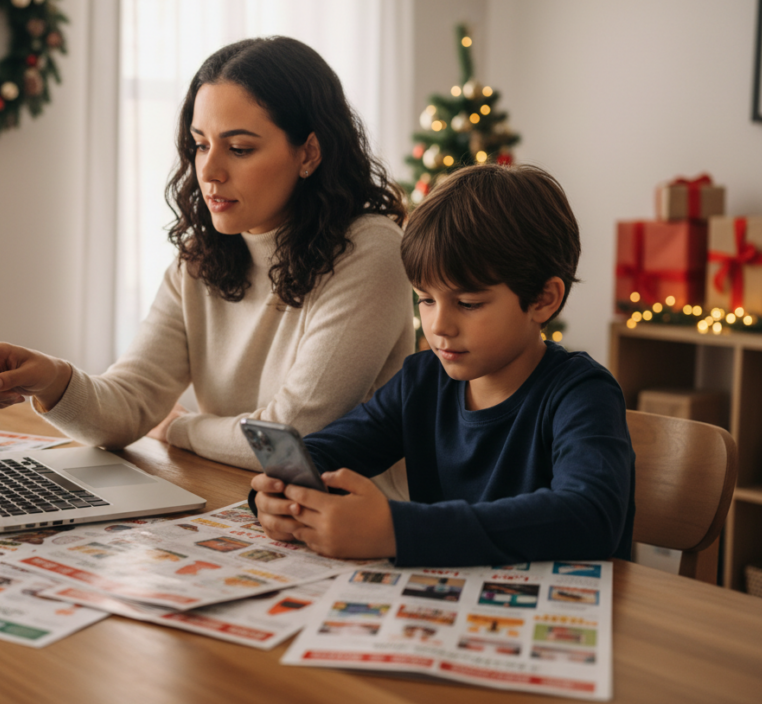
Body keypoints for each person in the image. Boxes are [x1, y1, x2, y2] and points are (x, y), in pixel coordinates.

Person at [0, 37, 414, 497]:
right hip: (240, 498)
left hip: (348, 524)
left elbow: (292, 435)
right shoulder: (204, 256)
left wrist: (180, 428)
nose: (209, 171)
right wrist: (51, 379)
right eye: (201, 144)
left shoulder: (369, 249)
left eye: (240, 148)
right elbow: (128, 405)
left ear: (308, 152)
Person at [251, 163, 636, 567]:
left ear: (543, 300)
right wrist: (278, 496)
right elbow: (325, 451)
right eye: (426, 299)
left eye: (468, 304)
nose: (438, 326)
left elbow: (589, 516)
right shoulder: (421, 381)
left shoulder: (582, 394)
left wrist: (396, 531)